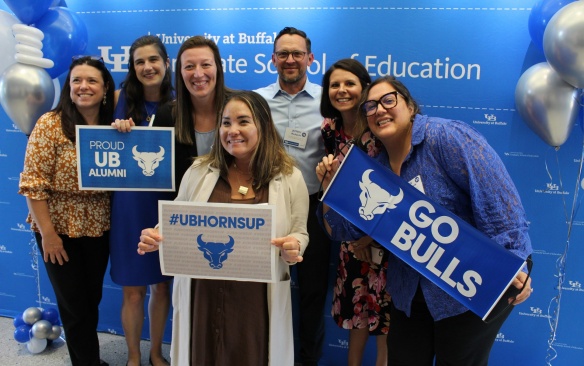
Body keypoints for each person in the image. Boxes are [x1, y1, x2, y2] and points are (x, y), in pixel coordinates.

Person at [316, 76, 533, 366]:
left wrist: (512, 264)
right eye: (370, 106)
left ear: (410, 106)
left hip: (470, 288)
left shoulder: (446, 137)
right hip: (409, 294)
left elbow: (499, 204)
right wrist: (330, 190)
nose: (379, 110)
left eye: (388, 100)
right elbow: (342, 230)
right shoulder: (374, 170)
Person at [137, 90, 309, 366]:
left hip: (254, 300)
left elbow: (300, 231)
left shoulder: (289, 177)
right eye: (226, 122)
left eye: (243, 121)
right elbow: (178, 216)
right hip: (202, 293)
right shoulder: (198, 171)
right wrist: (156, 235)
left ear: (263, 125)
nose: (233, 130)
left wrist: (294, 247)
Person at [18, 56, 115, 366]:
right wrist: (49, 235)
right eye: (77, 80)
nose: (83, 86)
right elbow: (33, 185)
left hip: (99, 226)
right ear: (68, 87)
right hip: (58, 229)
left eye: (91, 81)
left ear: (104, 88)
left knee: (91, 301)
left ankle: (90, 360)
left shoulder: (113, 125)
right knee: (74, 308)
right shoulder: (49, 124)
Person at [254, 26, 329, 366]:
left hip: (313, 210)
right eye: (283, 53)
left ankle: (307, 361)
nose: (290, 60)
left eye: (297, 53)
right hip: (262, 205)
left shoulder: (327, 101)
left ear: (310, 59)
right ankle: (264, 355)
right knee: (262, 289)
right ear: (273, 59)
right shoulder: (256, 101)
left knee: (312, 293)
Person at [108, 35, 174, 366]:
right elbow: (99, 145)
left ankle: (156, 352)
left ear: (166, 63)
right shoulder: (120, 99)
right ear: (133, 68)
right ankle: (133, 357)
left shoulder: (181, 102)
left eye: (153, 60)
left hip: (166, 203)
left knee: (162, 288)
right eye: (139, 62)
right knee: (133, 291)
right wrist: (113, 129)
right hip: (129, 207)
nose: (147, 67)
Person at [320, 59, 390, 366]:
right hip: (350, 238)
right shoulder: (329, 129)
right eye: (334, 85)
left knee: (386, 317)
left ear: (364, 87)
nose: (341, 90)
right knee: (357, 312)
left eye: (349, 83)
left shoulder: (377, 125)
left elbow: (393, 185)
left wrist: (369, 238)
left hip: (385, 237)